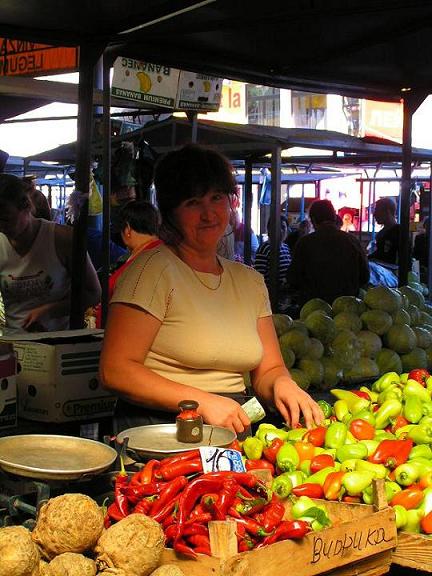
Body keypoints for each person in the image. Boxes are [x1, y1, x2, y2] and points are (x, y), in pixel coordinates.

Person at [100, 144, 323, 434]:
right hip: (162, 434)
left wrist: (282, 383)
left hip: (232, 432)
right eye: (193, 202)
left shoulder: (249, 281)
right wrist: (201, 403)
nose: (209, 214)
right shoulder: (151, 271)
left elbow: (268, 369)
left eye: (217, 198)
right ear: (170, 212)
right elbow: (115, 370)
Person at [0, 174, 101, 333]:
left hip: (59, 344)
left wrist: (49, 310)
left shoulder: (62, 239)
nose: (1, 227)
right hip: (16, 346)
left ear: (26, 205)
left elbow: (93, 293)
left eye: (5, 219)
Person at [288, 199, 370, 305]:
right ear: (334, 217)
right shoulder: (352, 241)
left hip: (313, 309)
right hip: (347, 309)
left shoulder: (305, 243)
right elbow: (365, 276)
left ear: (313, 220)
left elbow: (293, 278)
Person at [254, 214, 291, 311]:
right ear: (269, 230)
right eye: (277, 227)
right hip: (271, 300)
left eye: (283, 227)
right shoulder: (264, 248)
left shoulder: (286, 248)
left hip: (284, 301)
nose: (281, 230)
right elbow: (259, 277)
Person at [368, 197, 401, 266]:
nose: (374, 214)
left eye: (377, 210)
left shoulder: (399, 232)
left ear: (387, 211)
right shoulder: (382, 233)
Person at [413, 217, 429, 283]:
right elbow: (415, 254)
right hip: (421, 268)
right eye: (427, 225)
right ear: (425, 226)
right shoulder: (419, 238)